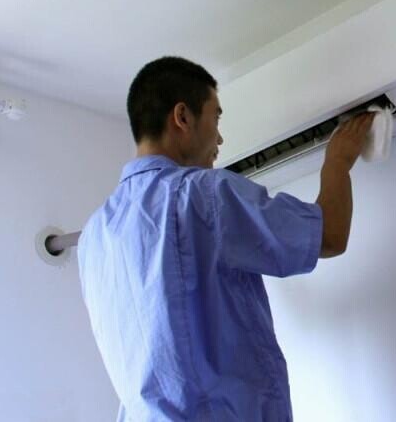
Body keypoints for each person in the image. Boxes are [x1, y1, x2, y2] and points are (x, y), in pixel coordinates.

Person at [77, 56, 374, 421]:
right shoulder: (202, 195)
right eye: (215, 118)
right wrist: (338, 161)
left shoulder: (94, 235)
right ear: (182, 117)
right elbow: (330, 235)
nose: (219, 138)